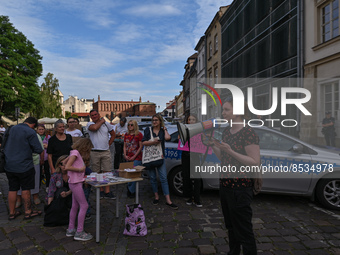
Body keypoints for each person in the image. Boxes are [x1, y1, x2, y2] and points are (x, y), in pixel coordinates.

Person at [205, 97, 260, 255]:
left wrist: (230, 151)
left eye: (226, 110)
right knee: (230, 227)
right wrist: (214, 147)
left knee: (244, 231)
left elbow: (254, 162)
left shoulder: (248, 132)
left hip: (241, 189)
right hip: (226, 186)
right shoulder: (227, 132)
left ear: (237, 112)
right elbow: (224, 158)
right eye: (223, 109)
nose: (223, 113)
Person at [4, 117, 44, 220]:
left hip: (9, 165)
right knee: (26, 188)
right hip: (24, 165)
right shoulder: (30, 131)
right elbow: (38, 149)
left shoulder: (10, 129)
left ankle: (12, 213)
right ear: (33, 125)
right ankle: (28, 212)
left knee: (12, 188)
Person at [142, 114, 178, 209]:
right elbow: (143, 142)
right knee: (153, 178)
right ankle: (156, 197)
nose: (154, 122)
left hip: (160, 157)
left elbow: (167, 138)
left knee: (163, 178)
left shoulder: (162, 131)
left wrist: (165, 129)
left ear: (160, 121)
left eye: (156, 120)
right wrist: (153, 142)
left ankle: (168, 200)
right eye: (153, 120)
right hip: (150, 157)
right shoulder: (147, 130)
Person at [65, 138, 94, 241]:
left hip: (74, 182)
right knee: (84, 205)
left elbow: (64, 162)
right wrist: (80, 169)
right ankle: (79, 232)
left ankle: (71, 228)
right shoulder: (76, 153)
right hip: (76, 183)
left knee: (75, 206)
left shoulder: (73, 152)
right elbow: (67, 166)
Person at [87, 109, 116, 199]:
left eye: (96, 114)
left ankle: (107, 191)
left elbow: (113, 134)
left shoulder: (106, 124)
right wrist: (102, 121)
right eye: (92, 115)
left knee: (107, 171)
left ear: (98, 114)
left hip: (105, 151)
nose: (94, 116)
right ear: (91, 117)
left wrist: (109, 143)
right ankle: (101, 191)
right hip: (94, 151)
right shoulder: (89, 124)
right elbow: (95, 128)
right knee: (97, 172)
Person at [16, 132, 44, 206]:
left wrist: (42, 159)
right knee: (19, 180)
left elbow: (41, 148)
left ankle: (35, 196)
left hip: (34, 160)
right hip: (20, 161)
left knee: (35, 179)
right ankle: (19, 199)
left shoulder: (36, 135)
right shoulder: (17, 135)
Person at [44, 155, 72, 227]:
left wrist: (67, 193)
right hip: (59, 197)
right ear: (59, 165)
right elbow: (51, 191)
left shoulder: (72, 174)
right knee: (61, 190)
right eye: (63, 164)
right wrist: (50, 206)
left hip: (70, 195)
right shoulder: (55, 176)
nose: (65, 166)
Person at [181, 114, 202, 207]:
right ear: (187, 121)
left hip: (195, 155)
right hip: (186, 155)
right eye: (190, 119)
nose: (191, 121)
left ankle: (197, 198)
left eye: (193, 119)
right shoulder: (184, 130)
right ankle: (190, 197)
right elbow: (180, 142)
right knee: (187, 177)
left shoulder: (199, 131)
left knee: (197, 177)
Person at [123, 120, 143, 198]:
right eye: (128, 125)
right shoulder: (126, 134)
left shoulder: (139, 134)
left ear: (135, 125)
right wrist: (125, 155)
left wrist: (134, 156)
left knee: (133, 174)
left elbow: (140, 146)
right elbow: (124, 146)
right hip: (128, 157)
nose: (130, 126)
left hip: (136, 157)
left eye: (131, 125)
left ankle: (132, 191)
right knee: (128, 173)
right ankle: (130, 187)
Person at [37, 124, 51, 192]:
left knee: (47, 172)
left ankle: (48, 186)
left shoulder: (48, 137)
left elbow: (51, 146)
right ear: (37, 130)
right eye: (40, 129)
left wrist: (47, 146)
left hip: (46, 157)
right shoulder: (35, 137)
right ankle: (37, 186)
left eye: (42, 129)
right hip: (38, 158)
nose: (41, 131)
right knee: (38, 173)